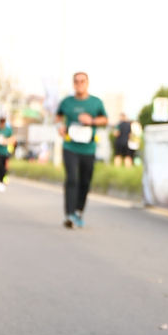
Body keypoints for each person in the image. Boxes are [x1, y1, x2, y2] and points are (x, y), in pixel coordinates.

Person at [56, 72, 108, 228]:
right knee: (72, 179)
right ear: (73, 84)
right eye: (76, 81)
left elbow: (105, 120)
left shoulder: (96, 102)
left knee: (85, 181)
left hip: (88, 148)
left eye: (82, 81)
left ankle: (78, 211)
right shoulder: (67, 102)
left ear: (87, 83)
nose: (79, 84)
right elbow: (58, 117)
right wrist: (60, 127)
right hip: (70, 146)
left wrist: (91, 120)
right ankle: (69, 214)